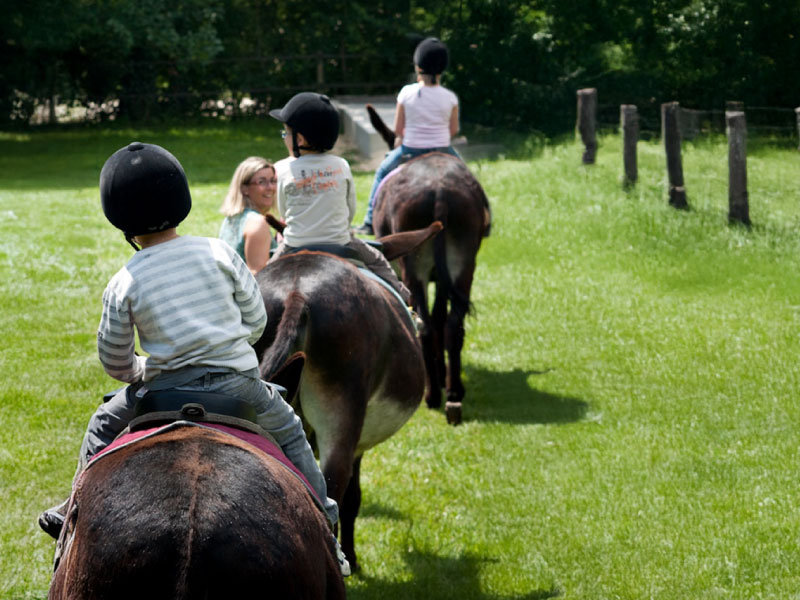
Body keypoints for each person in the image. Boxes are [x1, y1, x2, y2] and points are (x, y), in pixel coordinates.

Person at [38, 142, 349, 574]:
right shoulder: (219, 253)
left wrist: (143, 370)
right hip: (238, 387)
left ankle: (70, 510)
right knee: (294, 435)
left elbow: (115, 360)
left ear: (120, 220)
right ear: (181, 200)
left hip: (160, 390)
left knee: (102, 424)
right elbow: (257, 321)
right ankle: (327, 525)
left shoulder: (124, 281)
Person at [268, 91, 410, 304]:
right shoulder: (341, 165)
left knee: (263, 278)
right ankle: (404, 301)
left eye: (285, 133)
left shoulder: (282, 168)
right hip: (340, 240)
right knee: (378, 261)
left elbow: (282, 209)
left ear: (300, 138)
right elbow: (350, 209)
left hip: (294, 243)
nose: (284, 137)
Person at [355, 37, 460, 235]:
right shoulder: (450, 97)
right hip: (443, 151)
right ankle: (484, 216)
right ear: (441, 69)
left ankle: (369, 220)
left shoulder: (406, 93)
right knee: (468, 178)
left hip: (410, 150)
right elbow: (453, 130)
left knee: (382, 172)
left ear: (418, 66)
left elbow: (399, 129)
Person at [219, 156, 278, 276]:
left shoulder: (232, 218)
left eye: (273, 181)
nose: (270, 187)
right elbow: (258, 275)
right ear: (244, 189)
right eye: (262, 182)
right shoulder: (257, 223)